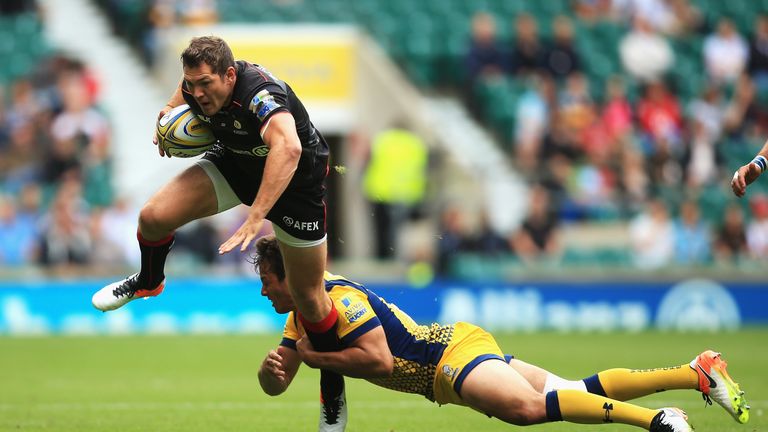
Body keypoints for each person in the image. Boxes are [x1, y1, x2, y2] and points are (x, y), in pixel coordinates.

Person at [90, 36, 346, 428]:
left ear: (229, 75)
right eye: (191, 84)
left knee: (310, 300)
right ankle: (147, 281)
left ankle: (333, 396)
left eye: (205, 83)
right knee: (153, 217)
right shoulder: (196, 86)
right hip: (236, 165)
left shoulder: (260, 95)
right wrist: (170, 110)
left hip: (296, 187)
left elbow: (289, 148)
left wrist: (256, 215)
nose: (198, 92)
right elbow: (184, 88)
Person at [254, 235, 750, 432]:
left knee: (526, 410)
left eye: (267, 280)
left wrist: (318, 361)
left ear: (291, 275)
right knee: (571, 393)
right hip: (452, 352)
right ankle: (695, 374)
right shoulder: (302, 318)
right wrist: (270, 372)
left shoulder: (339, 301)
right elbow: (280, 380)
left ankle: (657, 422)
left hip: (445, 357)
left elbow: (379, 362)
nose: (263, 292)